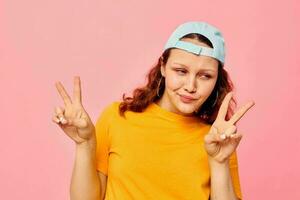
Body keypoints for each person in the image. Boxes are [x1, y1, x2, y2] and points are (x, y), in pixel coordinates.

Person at [53, 21, 255, 200]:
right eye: (181, 71)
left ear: (216, 79)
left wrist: (219, 162)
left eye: (205, 76)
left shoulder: (217, 140)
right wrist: (85, 143)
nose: (191, 86)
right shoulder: (117, 118)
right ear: (163, 67)